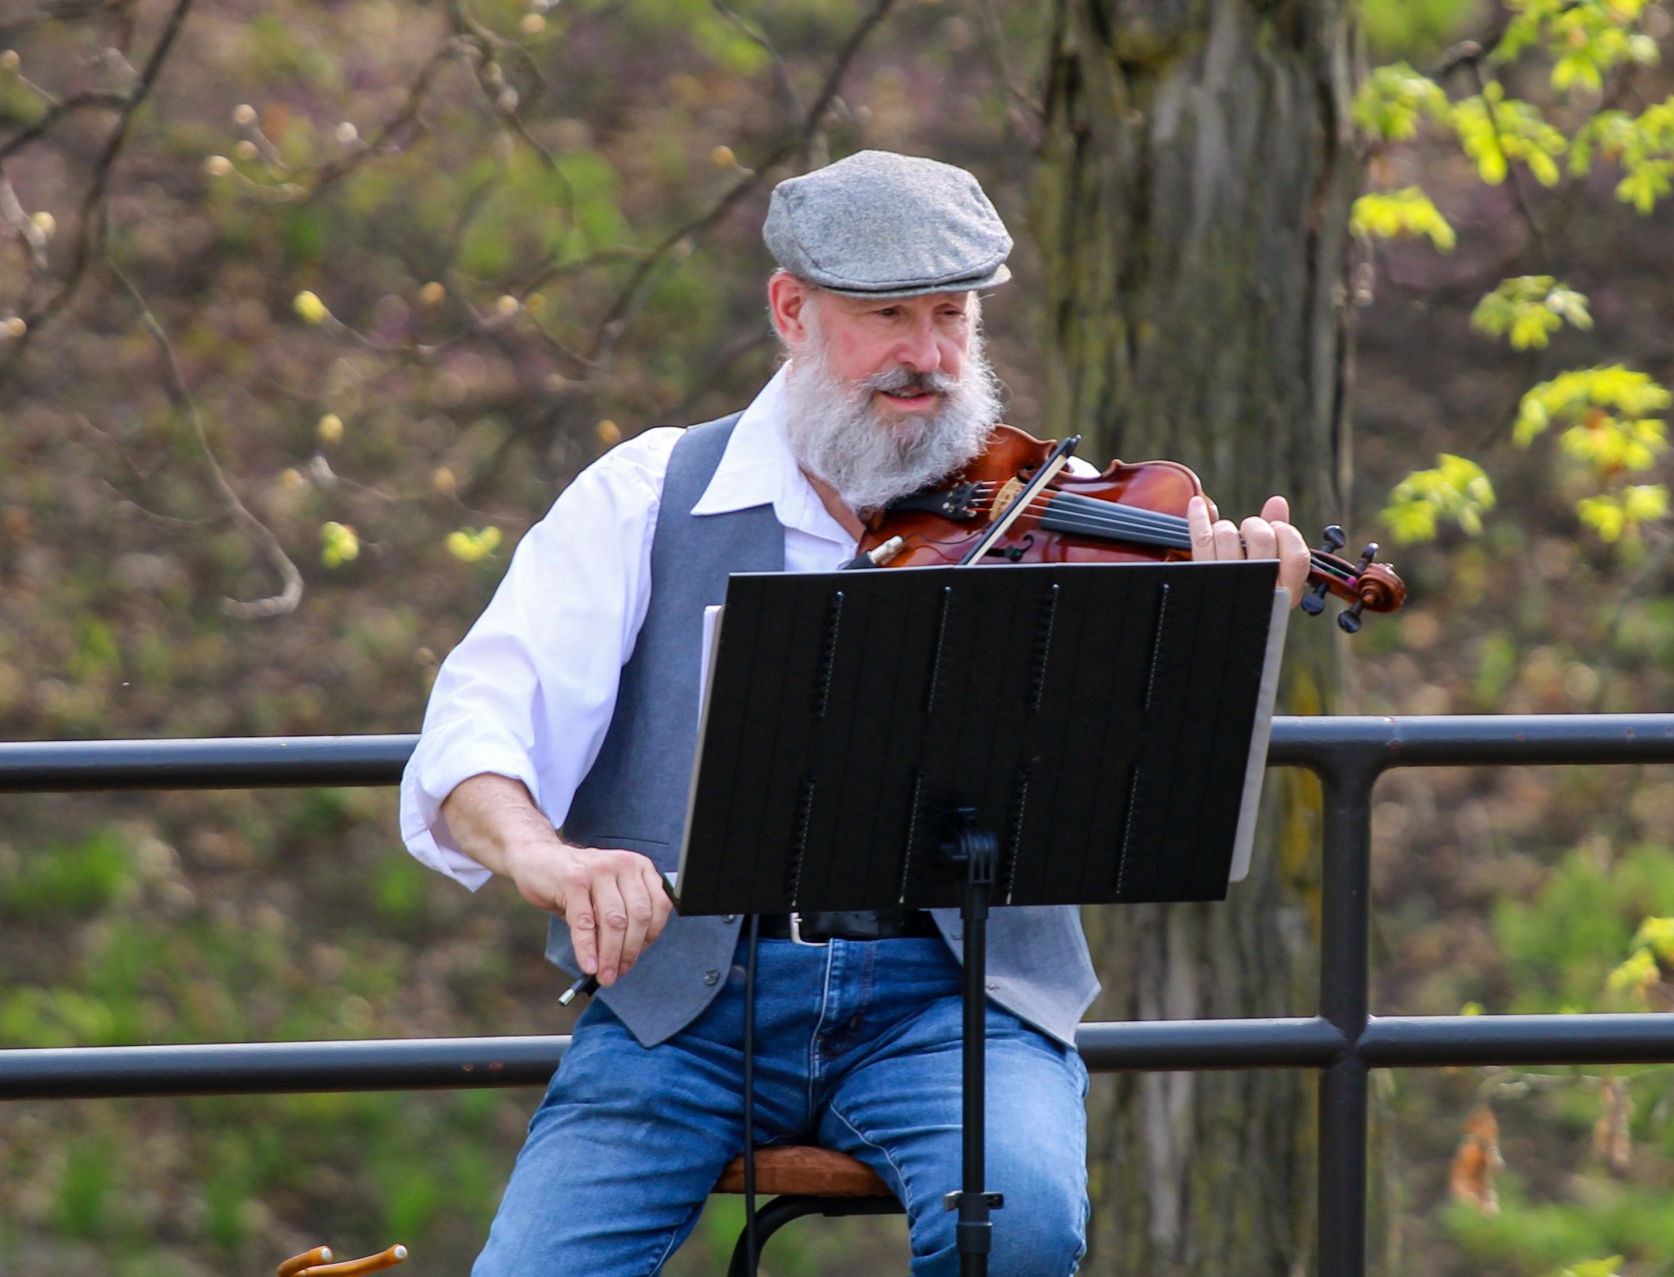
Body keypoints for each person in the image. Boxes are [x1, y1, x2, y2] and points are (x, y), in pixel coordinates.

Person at [399, 150, 1311, 1276]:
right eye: (887, 314)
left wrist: (1227, 624)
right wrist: (551, 858)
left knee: (1018, 1230)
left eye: (952, 313)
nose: (927, 356)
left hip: (951, 1002)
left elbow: (1144, 786)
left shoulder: (1056, 520)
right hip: (688, 1010)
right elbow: (473, 734)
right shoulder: (649, 495)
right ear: (792, 308)